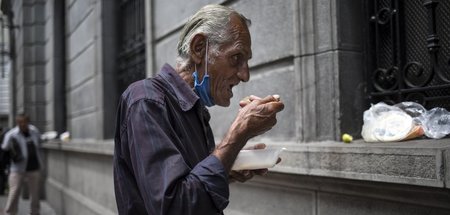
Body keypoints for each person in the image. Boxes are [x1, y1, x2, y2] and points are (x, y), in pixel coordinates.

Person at [114, 4, 284, 215]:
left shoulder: (193, 110)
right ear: (199, 48)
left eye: (246, 62)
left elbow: (190, 186)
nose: (245, 75)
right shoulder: (146, 100)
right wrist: (238, 134)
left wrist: (227, 167)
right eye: (236, 58)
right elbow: (175, 207)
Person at [1, 114, 42, 215]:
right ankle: (10, 212)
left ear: (28, 122)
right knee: (14, 193)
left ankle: (35, 212)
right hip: (17, 168)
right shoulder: (11, 134)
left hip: (34, 167)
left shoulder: (34, 131)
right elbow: (4, 147)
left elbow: (40, 142)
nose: (23, 124)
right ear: (17, 123)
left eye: (25, 122)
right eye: (20, 122)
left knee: (35, 194)